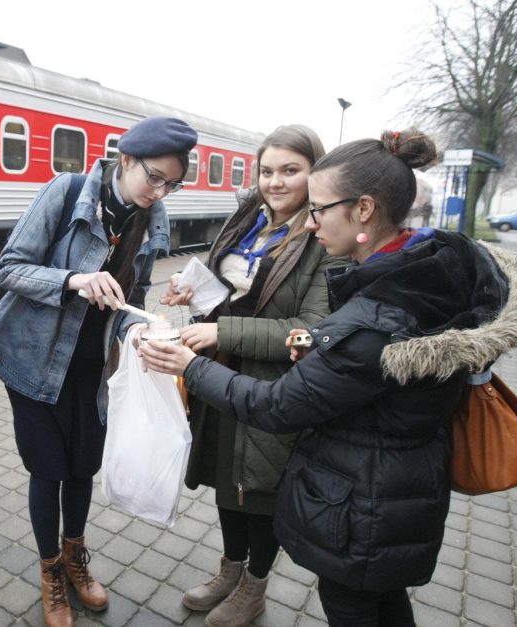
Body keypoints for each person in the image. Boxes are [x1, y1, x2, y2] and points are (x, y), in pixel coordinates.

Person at [140, 129, 517, 626]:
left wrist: (190, 365)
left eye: (319, 208)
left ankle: (252, 586)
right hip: (394, 487)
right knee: (385, 603)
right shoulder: (427, 267)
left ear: (363, 210)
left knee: (354, 606)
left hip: (364, 501)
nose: (311, 223)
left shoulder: (372, 321)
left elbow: (278, 405)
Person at [0, 116, 198, 627]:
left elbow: (133, 299)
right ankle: (51, 572)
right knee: (48, 468)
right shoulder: (68, 190)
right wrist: (76, 279)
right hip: (34, 360)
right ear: (125, 160)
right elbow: (7, 268)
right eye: (155, 177)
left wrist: (134, 333)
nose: (160, 191)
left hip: (92, 369)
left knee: (82, 466)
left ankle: (76, 559)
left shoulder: (152, 216)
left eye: (172, 183)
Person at [160, 125, 345, 627]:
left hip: (272, 387)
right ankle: (230, 570)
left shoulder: (324, 237)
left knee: (260, 493)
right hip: (220, 376)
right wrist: (191, 287)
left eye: (291, 170)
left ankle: (254, 588)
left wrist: (224, 334)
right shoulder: (250, 218)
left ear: (316, 174)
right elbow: (232, 286)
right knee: (227, 481)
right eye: (267, 171)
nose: (276, 182)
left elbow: (309, 330)